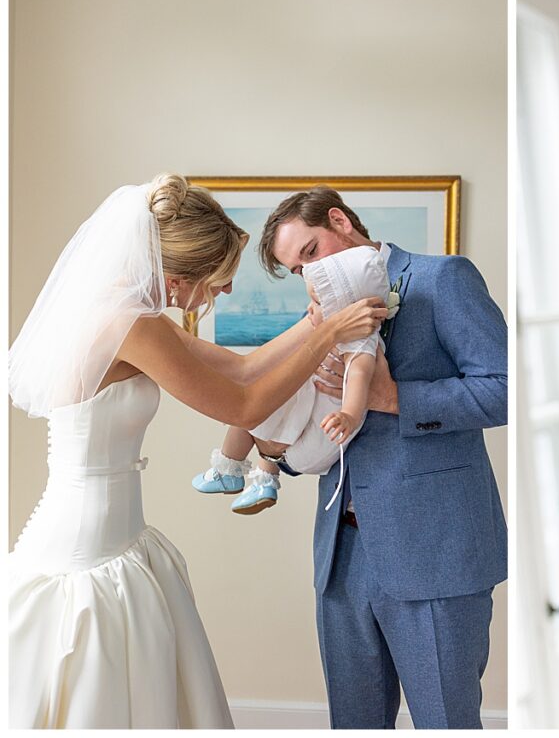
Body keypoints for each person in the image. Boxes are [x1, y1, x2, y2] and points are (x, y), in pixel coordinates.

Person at [7, 174, 388, 729]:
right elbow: (243, 403)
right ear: (179, 275)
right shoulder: (130, 325)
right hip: (85, 544)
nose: (225, 292)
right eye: (220, 279)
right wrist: (329, 339)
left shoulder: (125, 313)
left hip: (118, 530)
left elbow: (239, 365)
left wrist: (316, 324)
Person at [259, 186, 508, 729]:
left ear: (340, 220)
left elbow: (507, 388)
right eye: (295, 267)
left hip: (436, 548)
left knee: (445, 720)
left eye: (310, 252)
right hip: (342, 553)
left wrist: (394, 398)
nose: (310, 273)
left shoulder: (442, 278)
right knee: (353, 723)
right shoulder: (320, 312)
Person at [191, 245, 396, 515]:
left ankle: (241, 470)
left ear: (344, 308)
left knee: (258, 410)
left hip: (325, 428)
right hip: (309, 408)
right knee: (260, 401)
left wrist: (348, 414)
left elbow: (358, 377)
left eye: (319, 303)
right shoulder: (328, 331)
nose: (309, 308)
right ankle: (250, 475)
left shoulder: (360, 343)